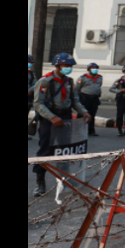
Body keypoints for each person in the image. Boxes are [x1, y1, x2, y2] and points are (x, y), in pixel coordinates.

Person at [32, 54, 91, 197]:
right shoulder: (45, 81)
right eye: (66, 66)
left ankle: (63, 179)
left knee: (65, 150)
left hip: (66, 118)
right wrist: (52, 117)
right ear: (57, 66)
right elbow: (38, 104)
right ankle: (40, 182)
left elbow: (75, 101)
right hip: (49, 118)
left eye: (70, 66)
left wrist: (84, 112)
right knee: (45, 150)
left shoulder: (69, 82)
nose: (68, 69)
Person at [75, 63, 103, 136]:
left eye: (96, 68)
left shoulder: (99, 77)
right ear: (88, 69)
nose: (95, 69)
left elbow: (99, 85)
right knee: (82, 114)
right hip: (85, 97)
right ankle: (79, 130)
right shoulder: (82, 78)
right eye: (92, 68)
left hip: (94, 98)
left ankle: (91, 130)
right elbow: (77, 88)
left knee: (92, 114)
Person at [28, 54, 37, 127]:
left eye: (31, 63)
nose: (29, 64)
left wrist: (30, 91)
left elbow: (35, 84)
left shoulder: (31, 74)